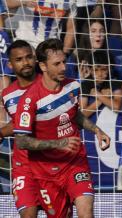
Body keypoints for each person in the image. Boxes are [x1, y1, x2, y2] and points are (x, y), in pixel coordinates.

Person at [13, 39, 110, 218]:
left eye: (64, 61)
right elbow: (21, 140)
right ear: (42, 66)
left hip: (75, 163)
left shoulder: (72, 85)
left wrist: (96, 130)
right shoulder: (29, 100)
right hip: (46, 172)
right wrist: (58, 143)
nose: (63, 67)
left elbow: (75, 114)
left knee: (85, 210)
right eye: (57, 64)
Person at [1, 40, 40, 217]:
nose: (25, 62)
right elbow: (19, 123)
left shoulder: (49, 84)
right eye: (19, 59)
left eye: (29, 57)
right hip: (23, 164)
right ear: (10, 65)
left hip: (51, 161)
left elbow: (33, 122)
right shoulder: (7, 95)